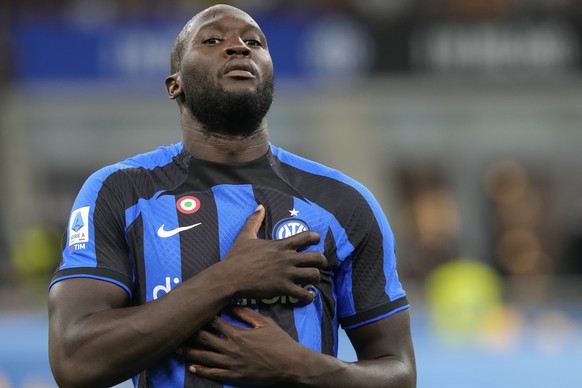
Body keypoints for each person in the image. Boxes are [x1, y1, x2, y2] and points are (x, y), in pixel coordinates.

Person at [47, 4, 416, 387]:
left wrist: (301, 366)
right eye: (212, 40)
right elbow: (76, 363)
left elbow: (399, 373)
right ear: (175, 85)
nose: (239, 47)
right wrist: (229, 279)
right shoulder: (120, 192)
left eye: (254, 42)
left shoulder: (343, 202)